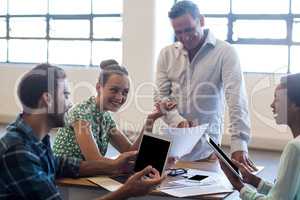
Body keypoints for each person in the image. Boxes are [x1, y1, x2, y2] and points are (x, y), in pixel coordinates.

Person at [0, 63, 164, 200]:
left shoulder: (37, 141)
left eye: (125, 92)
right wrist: (126, 190)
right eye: (65, 94)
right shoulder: (18, 150)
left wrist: (117, 165)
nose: (69, 103)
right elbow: (94, 161)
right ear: (47, 99)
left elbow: (63, 164)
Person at [154, 0, 255, 170]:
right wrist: (177, 120)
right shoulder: (166, 54)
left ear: (201, 21)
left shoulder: (225, 52)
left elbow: (236, 99)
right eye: (178, 32)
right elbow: (160, 97)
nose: (184, 37)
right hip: (170, 146)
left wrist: (239, 143)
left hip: (206, 148)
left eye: (189, 30)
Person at [53, 59, 175, 161]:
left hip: (84, 178)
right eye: (114, 90)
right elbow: (96, 162)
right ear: (98, 87)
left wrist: (151, 119)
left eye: (125, 92)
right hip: (67, 183)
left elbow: (131, 152)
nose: (120, 97)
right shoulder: (81, 113)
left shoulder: (105, 118)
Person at [220, 73, 300, 199]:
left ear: (295, 105)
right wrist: (254, 180)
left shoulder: (294, 148)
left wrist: (239, 186)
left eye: (277, 99)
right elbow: (286, 193)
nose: (272, 105)